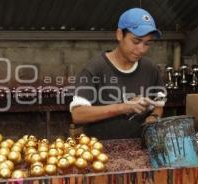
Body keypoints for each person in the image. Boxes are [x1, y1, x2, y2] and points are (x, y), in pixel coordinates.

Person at [70, 8, 166, 139]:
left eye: (147, 43)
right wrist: (124, 107)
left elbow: (159, 104)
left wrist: (153, 117)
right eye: (136, 41)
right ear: (119, 34)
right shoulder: (94, 69)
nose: (141, 49)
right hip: (100, 150)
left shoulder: (150, 68)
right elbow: (78, 115)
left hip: (139, 148)